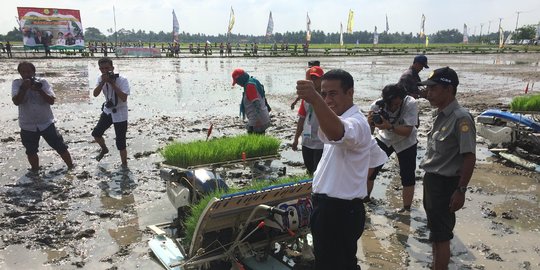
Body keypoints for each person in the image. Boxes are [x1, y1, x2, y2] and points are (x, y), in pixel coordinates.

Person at [296, 69, 375, 270]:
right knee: (333, 262)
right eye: (324, 94)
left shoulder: (356, 123)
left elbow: (337, 132)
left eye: (333, 93)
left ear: (350, 93)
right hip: (330, 209)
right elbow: (375, 157)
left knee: (337, 264)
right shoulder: (339, 118)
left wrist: (315, 99)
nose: (328, 99)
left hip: (339, 211)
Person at [419, 67, 476, 270]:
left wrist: (461, 190)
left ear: (449, 89)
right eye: (428, 89)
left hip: (446, 185)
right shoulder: (441, 114)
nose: (429, 93)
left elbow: (469, 157)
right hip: (432, 181)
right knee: (435, 231)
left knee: (442, 235)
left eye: (433, 88)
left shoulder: (461, 118)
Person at [11, 62, 74, 175]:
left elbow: (51, 101)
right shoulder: (17, 83)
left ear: (34, 72)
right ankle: (35, 171)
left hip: (46, 122)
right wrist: (24, 89)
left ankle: (71, 166)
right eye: (23, 72)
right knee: (31, 150)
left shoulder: (42, 82)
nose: (26, 74)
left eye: (29, 72)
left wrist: (39, 90)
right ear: (20, 73)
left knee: (60, 146)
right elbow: (16, 102)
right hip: (27, 125)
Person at [367, 83, 419, 212]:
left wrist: (389, 126)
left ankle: (406, 208)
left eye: (397, 104)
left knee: (407, 174)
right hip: (385, 137)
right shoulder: (377, 106)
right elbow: (369, 133)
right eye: (391, 104)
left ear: (402, 99)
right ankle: (365, 198)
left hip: (406, 141)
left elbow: (407, 131)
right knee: (370, 168)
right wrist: (369, 123)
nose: (394, 107)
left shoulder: (410, 103)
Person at [91, 57, 131, 168]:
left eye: (107, 68)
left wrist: (113, 84)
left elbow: (124, 98)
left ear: (112, 68)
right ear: (100, 69)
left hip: (120, 112)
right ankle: (104, 148)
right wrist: (103, 82)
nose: (105, 71)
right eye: (102, 68)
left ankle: (124, 165)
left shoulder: (122, 79)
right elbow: (95, 94)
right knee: (96, 134)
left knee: (120, 141)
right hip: (108, 110)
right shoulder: (100, 79)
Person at [292, 66, 324, 175]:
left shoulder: (326, 98)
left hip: (321, 142)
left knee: (318, 172)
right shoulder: (305, 98)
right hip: (307, 140)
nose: (313, 81)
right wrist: (296, 139)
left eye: (315, 78)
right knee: (309, 169)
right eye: (311, 79)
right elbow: (301, 119)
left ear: (322, 79)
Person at [231, 68, 271, 134]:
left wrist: (257, 121)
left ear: (241, 79)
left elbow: (257, 104)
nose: (237, 84)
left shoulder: (249, 86)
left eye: (237, 82)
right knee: (254, 137)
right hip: (261, 117)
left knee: (256, 139)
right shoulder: (253, 81)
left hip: (258, 120)